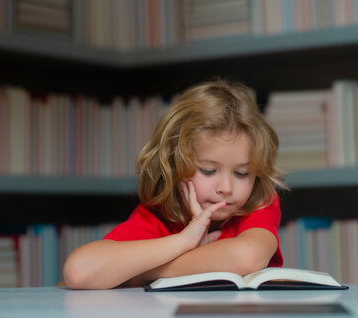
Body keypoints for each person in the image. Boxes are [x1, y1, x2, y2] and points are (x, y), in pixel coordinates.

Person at [63, 79, 287, 289]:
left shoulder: (259, 201)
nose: (226, 188)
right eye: (208, 170)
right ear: (174, 165)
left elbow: (246, 257)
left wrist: (140, 272)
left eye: (241, 173)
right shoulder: (160, 214)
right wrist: (183, 241)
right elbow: (79, 270)